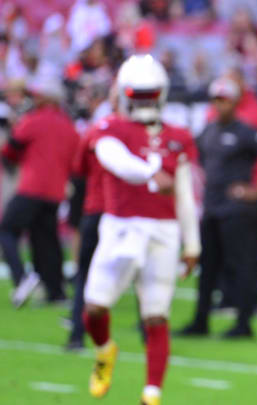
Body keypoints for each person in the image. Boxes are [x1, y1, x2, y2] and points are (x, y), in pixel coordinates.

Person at [81, 55, 200, 405]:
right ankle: (105, 350)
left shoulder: (177, 136)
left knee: (156, 315)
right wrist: (151, 169)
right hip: (120, 227)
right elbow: (113, 159)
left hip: (163, 232)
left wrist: (192, 244)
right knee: (94, 309)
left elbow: (185, 196)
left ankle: (152, 394)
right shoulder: (110, 127)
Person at [176, 76, 257, 338]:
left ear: (235, 102)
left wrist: (256, 191)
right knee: (208, 267)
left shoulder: (246, 133)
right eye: (216, 99)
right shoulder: (208, 132)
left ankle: (243, 323)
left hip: (236, 210)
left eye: (224, 99)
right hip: (212, 208)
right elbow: (197, 159)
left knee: (241, 266)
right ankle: (200, 320)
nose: (220, 105)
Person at [0, 74, 79, 307]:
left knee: (6, 230)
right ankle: (56, 291)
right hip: (55, 192)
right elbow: (75, 161)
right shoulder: (68, 125)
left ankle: (21, 278)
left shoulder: (33, 120)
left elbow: (11, 149)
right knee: (47, 240)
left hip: (32, 187)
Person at [65, 85, 117, 350]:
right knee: (143, 277)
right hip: (124, 216)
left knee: (85, 274)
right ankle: (148, 334)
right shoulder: (137, 133)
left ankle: (76, 333)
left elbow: (79, 169)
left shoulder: (95, 131)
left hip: (96, 211)